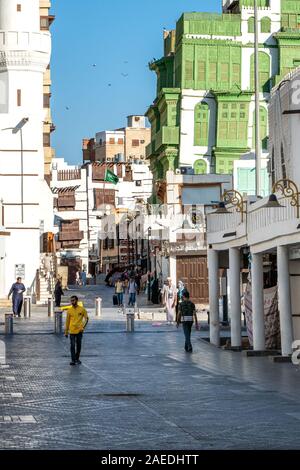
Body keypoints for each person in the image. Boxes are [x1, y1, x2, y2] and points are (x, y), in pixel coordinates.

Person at [64, 296, 89, 366]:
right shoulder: (69, 310)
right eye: (71, 301)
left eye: (73, 300)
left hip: (79, 331)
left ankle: (77, 358)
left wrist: (82, 327)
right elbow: (67, 321)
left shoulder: (82, 309)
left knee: (78, 346)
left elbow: (86, 319)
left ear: (77, 300)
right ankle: (73, 360)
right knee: (72, 346)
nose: (72, 302)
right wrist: (66, 332)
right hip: (72, 331)